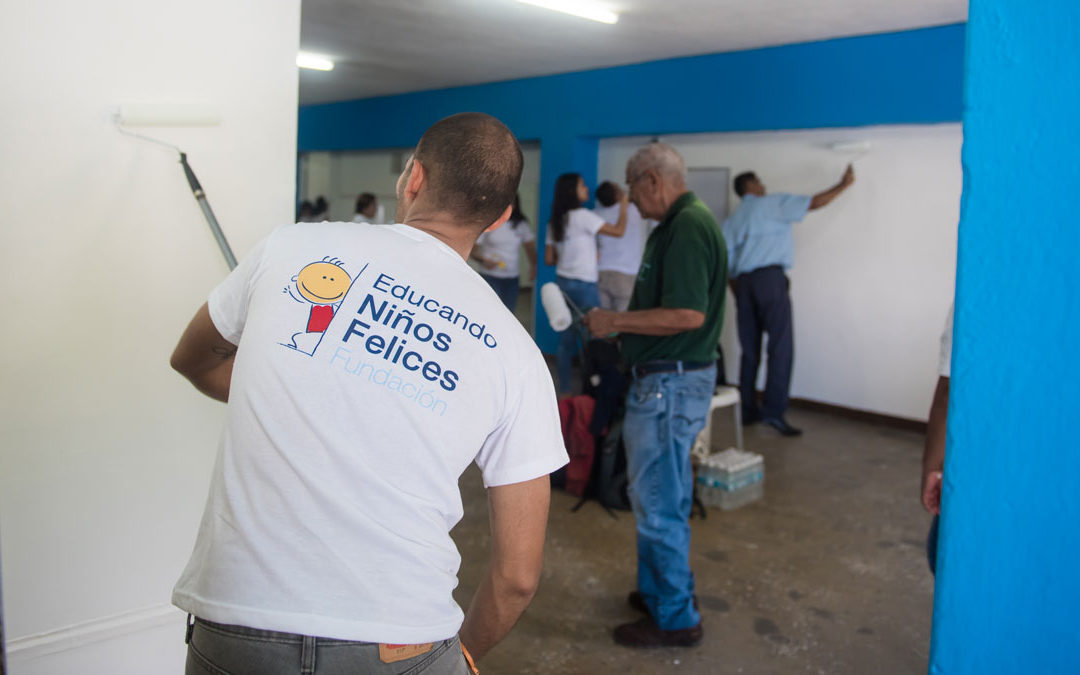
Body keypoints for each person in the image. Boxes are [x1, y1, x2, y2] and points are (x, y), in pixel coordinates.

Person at [169, 112, 568, 674]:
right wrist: (465, 658)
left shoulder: (292, 247)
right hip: (400, 640)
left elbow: (193, 360)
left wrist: (292, 389)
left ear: (413, 179)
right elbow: (518, 576)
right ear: (502, 217)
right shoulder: (517, 353)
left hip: (238, 621)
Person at [585, 143, 727, 649]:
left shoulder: (688, 225)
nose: (633, 202)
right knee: (658, 496)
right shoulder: (679, 223)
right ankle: (658, 593)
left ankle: (675, 618)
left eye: (633, 188)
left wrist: (615, 320)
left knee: (659, 503)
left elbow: (688, 315)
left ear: (652, 180)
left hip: (669, 385)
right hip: (668, 380)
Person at [722, 166, 855, 437]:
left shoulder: (732, 220)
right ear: (751, 186)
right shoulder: (773, 204)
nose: (763, 186)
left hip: (742, 285)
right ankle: (773, 413)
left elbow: (723, 263)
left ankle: (747, 410)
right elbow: (814, 203)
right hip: (770, 280)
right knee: (780, 347)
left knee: (750, 350)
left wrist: (738, 290)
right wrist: (843, 185)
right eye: (759, 182)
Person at [545, 172, 628, 395]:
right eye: (583, 185)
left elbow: (549, 259)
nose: (587, 189)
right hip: (585, 285)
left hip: (564, 284)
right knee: (596, 334)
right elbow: (619, 231)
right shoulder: (583, 216)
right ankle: (594, 387)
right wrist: (624, 204)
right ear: (573, 191)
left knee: (567, 340)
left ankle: (563, 388)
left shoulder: (556, 220)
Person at [921, 303, 953, 574]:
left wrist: (932, 470)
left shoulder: (976, 293)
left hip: (981, 457)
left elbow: (949, 391)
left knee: (941, 554)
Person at [470, 194, 537, 311]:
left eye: (512, 204)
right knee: (489, 311)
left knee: (509, 311)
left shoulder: (521, 224)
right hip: (490, 276)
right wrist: (483, 260)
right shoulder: (490, 222)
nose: (509, 207)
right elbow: (473, 250)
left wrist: (533, 266)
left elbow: (530, 249)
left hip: (512, 277)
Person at [594, 180, 648, 312]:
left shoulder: (595, 214)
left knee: (603, 321)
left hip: (600, 272)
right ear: (618, 194)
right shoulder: (634, 210)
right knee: (624, 323)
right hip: (626, 274)